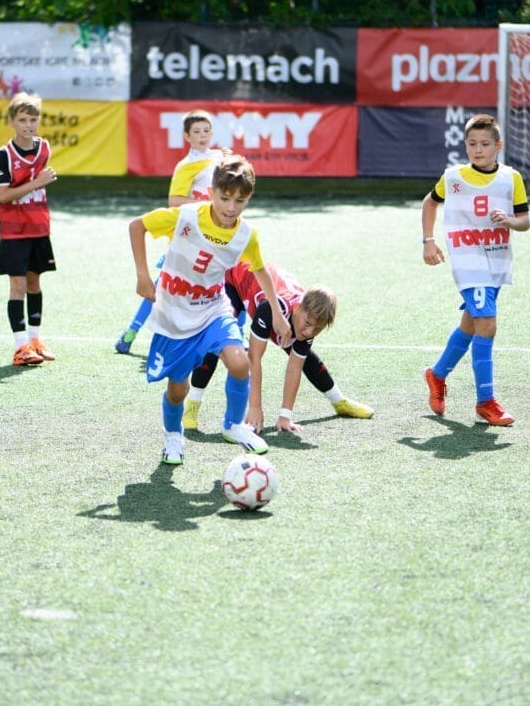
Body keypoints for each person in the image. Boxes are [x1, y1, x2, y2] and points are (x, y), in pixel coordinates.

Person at [129, 154, 291, 465]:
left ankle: (233, 425)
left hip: (213, 310)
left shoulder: (246, 235)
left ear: (249, 199)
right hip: (174, 316)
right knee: (178, 390)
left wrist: (278, 314)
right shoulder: (186, 216)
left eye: (240, 201)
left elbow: (260, 270)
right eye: (225, 198)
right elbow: (137, 226)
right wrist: (142, 275)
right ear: (211, 192)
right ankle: (172, 435)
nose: (231, 208)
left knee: (240, 363)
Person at [420, 114, 530, 426]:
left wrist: (510, 221)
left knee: (471, 324)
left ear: (498, 146)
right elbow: (430, 203)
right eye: (471, 144)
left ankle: (437, 373)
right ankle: (486, 401)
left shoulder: (511, 178)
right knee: (487, 325)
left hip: (496, 261)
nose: (478, 150)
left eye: (484, 144)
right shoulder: (453, 177)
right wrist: (428, 240)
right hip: (468, 262)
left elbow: (525, 221)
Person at [184, 262, 374, 434]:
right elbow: (254, 358)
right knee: (218, 339)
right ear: (297, 309)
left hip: (274, 296)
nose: (310, 332)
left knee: (304, 355)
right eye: (308, 324)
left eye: (317, 329)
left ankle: (338, 401)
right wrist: (255, 407)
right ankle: (192, 404)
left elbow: (294, 368)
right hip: (232, 279)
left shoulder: (308, 319)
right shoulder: (270, 309)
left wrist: (285, 415)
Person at [115, 108, 224, 354]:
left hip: (216, 233)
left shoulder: (220, 157)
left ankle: (234, 335)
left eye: (206, 130)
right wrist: (208, 206)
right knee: (165, 285)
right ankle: (131, 331)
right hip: (190, 234)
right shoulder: (186, 166)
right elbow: (174, 201)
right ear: (186, 136)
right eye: (197, 131)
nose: (203, 135)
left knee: (227, 280)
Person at [0, 92, 59, 366]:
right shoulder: (4, 154)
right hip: (14, 230)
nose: (28, 125)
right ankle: (20, 346)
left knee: (34, 282)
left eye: (33, 120)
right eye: (22, 120)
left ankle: (35, 341)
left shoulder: (44, 148)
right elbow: (3, 196)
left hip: (39, 227)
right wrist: (37, 183)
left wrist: (38, 184)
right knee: (17, 285)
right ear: (12, 121)